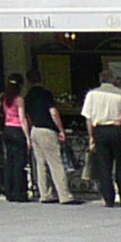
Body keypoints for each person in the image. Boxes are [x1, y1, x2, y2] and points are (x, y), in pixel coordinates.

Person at [80, 71, 121, 207]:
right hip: (118, 128)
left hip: (100, 129)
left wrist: (91, 137)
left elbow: (88, 118)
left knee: (104, 166)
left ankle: (109, 198)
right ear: (114, 80)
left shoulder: (92, 94)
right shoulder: (120, 93)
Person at [22, 74, 77, 207]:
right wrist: (61, 130)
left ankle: (45, 194)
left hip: (35, 129)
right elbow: (53, 112)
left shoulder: (27, 96)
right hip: (47, 130)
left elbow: (27, 116)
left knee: (41, 164)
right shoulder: (46, 94)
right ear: (42, 80)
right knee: (56, 164)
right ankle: (64, 195)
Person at [0, 75, 33, 202]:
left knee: (9, 162)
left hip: (7, 129)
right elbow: (22, 118)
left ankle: (9, 191)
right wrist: (28, 137)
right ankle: (19, 192)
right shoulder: (19, 99)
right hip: (17, 130)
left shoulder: (4, 98)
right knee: (19, 163)